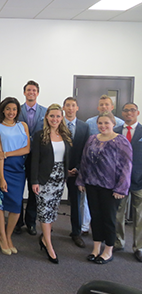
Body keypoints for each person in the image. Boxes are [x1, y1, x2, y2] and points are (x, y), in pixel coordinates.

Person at [77, 112, 132, 264]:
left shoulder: (121, 141)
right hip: (92, 185)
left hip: (111, 188)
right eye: (100, 123)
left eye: (106, 123)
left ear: (113, 124)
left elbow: (126, 167)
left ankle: (108, 251)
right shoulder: (92, 139)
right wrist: (81, 180)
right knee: (95, 217)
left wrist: (121, 189)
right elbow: (84, 161)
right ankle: (95, 249)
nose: (103, 126)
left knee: (108, 219)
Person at [31, 104, 71, 264]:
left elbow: (67, 156)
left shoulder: (66, 135)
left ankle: (44, 239)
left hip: (60, 178)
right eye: (52, 116)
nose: (55, 119)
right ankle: (49, 245)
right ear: (47, 117)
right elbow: (34, 160)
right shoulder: (40, 135)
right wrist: (34, 181)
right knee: (44, 212)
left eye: (58, 116)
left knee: (53, 210)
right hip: (44, 179)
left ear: (62, 118)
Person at [81, 95, 125, 236]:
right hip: (93, 175)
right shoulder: (90, 124)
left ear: (112, 107)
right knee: (92, 208)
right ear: (98, 107)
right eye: (101, 105)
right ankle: (87, 229)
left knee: (108, 213)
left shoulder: (120, 125)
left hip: (110, 177)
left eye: (107, 104)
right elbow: (86, 152)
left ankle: (109, 242)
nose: (104, 107)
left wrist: (121, 185)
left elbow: (125, 162)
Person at [0, 97, 30, 255]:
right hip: (2, 168)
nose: (11, 112)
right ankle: (3, 237)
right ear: (2, 111)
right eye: (8, 109)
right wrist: (1, 177)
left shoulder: (23, 126)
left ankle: (8, 236)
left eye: (14, 109)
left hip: (18, 169)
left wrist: (7, 153)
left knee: (16, 205)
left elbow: (27, 149)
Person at [16, 80, 47, 236]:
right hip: (20, 156)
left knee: (34, 190)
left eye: (34, 90)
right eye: (29, 90)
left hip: (37, 157)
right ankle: (17, 221)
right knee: (18, 190)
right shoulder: (16, 111)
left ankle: (30, 222)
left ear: (38, 93)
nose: (31, 92)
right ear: (24, 92)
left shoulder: (45, 112)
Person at [114, 103, 142, 262]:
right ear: (122, 113)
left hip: (140, 181)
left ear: (137, 112)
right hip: (119, 181)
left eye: (132, 110)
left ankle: (139, 247)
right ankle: (119, 242)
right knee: (118, 213)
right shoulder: (116, 132)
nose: (129, 113)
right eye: (126, 110)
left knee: (140, 216)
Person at [62, 97, 90, 248]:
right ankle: (46, 231)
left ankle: (76, 233)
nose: (70, 108)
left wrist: (78, 168)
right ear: (63, 107)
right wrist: (63, 168)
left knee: (75, 203)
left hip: (76, 171)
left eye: (73, 106)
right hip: (59, 169)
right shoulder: (57, 124)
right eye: (68, 105)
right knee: (51, 201)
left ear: (77, 108)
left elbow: (86, 151)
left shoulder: (84, 127)